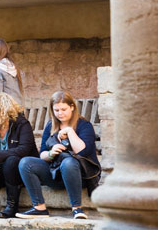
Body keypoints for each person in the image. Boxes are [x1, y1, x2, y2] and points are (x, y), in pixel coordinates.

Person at [16, 90, 100, 220]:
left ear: (72, 107)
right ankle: (39, 207)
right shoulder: (51, 125)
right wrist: (51, 153)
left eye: (63, 109)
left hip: (80, 175)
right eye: (56, 110)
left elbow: (82, 151)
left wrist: (70, 131)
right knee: (25, 163)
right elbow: (42, 153)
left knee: (68, 162)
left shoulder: (84, 125)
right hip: (56, 173)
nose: (60, 113)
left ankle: (77, 209)